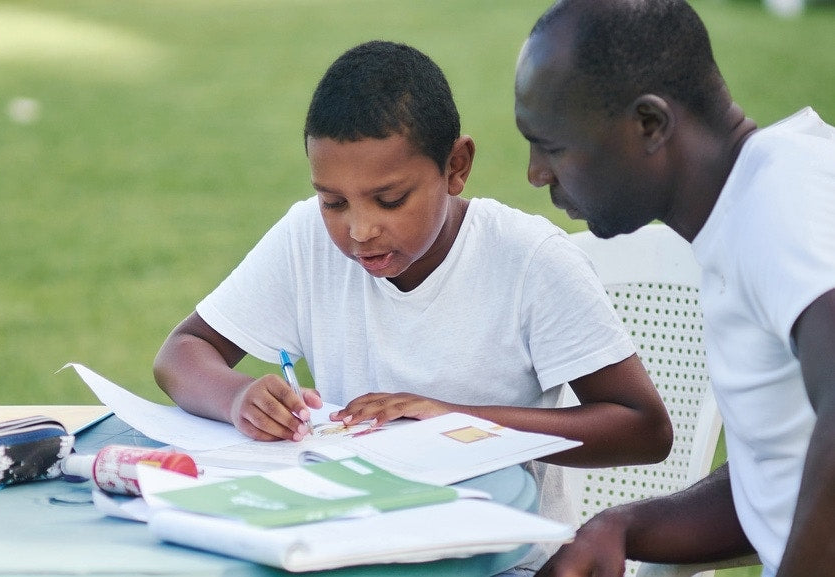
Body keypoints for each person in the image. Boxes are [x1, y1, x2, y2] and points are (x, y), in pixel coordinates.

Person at [154, 39, 673, 573]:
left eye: (390, 199)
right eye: (333, 202)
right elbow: (181, 353)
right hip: (345, 548)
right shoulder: (305, 240)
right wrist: (238, 396)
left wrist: (456, 422)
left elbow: (643, 427)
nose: (359, 230)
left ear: (456, 167)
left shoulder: (530, 262)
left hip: (499, 561)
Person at [513, 1, 835, 576]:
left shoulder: (784, 203)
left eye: (553, 145)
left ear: (650, 124)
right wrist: (622, 526)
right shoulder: (747, 212)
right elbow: (784, 480)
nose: (537, 172)